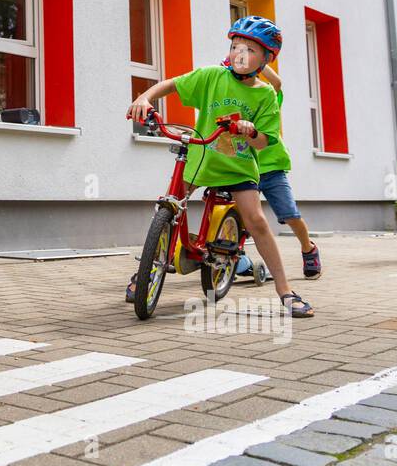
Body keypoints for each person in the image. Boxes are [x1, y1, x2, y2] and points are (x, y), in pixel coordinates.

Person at [127, 16, 315, 318]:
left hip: (238, 167)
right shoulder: (212, 76)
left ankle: (285, 290)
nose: (240, 53)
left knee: (256, 220)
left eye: (250, 49)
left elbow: (265, 142)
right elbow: (171, 85)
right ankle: (146, 270)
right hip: (202, 158)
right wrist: (144, 98)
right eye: (235, 46)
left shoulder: (265, 94)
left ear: (266, 59)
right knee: (168, 206)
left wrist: (250, 131)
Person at [235, 63, 322, 279]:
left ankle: (308, 248)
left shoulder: (266, 98)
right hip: (243, 169)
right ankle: (237, 258)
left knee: (289, 214)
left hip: (271, 168)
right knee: (237, 217)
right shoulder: (231, 103)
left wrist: (256, 62)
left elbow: (276, 83)